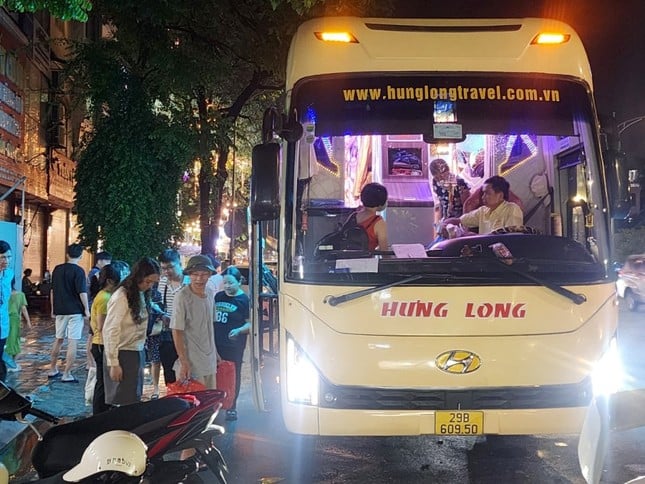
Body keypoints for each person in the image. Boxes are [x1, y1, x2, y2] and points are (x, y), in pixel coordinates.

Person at [103, 257, 160, 406]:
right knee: (123, 401)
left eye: (153, 282)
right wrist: (113, 363)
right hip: (122, 353)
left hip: (136, 350)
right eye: (148, 282)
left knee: (134, 398)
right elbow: (110, 330)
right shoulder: (122, 296)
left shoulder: (140, 294)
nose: (150, 286)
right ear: (138, 277)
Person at [171, 255, 219, 390]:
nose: (199, 278)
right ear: (189, 275)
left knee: (210, 403)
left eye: (204, 274)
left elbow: (210, 326)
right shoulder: (182, 297)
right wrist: (183, 361)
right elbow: (177, 330)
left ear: (210, 275)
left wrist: (215, 352)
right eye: (195, 274)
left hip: (209, 360)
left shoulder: (210, 293)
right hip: (191, 363)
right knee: (195, 406)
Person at [49, 243, 90, 383]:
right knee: (73, 341)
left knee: (58, 339)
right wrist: (86, 309)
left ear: (67, 254)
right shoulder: (79, 271)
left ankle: (52, 369)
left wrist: (53, 308)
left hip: (60, 310)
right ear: (81, 255)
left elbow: (52, 291)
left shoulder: (57, 269)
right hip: (75, 311)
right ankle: (67, 374)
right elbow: (82, 292)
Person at [214, 266, 251, 421]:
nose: (227, 286)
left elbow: (250, 324)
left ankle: (232, 406)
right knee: (216, 374)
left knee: (233, 374)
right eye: (225, 283)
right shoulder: (218, 297)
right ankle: (216, 403)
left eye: (230, 283)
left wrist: (239, 330)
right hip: (217, 343)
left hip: (234, 345)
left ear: (239, 282)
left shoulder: (245, 300)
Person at [89, 263, 123, 414]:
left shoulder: (104, 295)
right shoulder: (105, 298)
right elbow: (102, 326)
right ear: (110, 281)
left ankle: (103, 410)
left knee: (104, 381)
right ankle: (99, 412)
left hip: (100, 343)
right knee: (103, 382)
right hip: (101, 344)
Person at [440, 175, 523, 236]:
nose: (483, 197)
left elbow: (511, 240)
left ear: (500, 196)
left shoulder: (512, 209)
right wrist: (445, 224)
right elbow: (460, 220)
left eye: (487, 193)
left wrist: (472, 236)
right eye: (483, 193)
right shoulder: (483, 211)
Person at [157, 249, 189, 387]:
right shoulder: (163, 283)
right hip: (168, 335)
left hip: (186, 334)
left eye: (170, 267)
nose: (167, 272)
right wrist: (162, 315)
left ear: (179, 264)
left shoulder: (189, 283)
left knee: (188, 370)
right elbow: (160, 304)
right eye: (164, 268)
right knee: (169, 372)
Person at [429, 158, 471, 228]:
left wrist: (465, 226)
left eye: (442, 175)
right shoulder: (435, 183)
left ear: (447, 171)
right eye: (437, 177)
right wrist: (438, 223)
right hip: (445, 219)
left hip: (459, 219)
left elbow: (467, 204)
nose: (440, 179)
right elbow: (440, 203)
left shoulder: (459, 182)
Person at [4, 278, 31, 371]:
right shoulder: (20, 295)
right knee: (14, 339)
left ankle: (8, 362)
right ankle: (12, 364)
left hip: (4, 319)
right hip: (15, 320)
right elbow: (23, 309)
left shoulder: (4, 294)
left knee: (6, 339)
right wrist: (28, 321)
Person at [356, 182, 389, 251]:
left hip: (348, 259)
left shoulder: (353, 215)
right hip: (366, 260)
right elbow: (384, 252)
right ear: (381, 202)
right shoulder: (378, 222)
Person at [0, 241, 14, 381]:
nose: (6, 261)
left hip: (3, 323)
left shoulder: (9, 274)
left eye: (8, 257)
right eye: (3, 257)